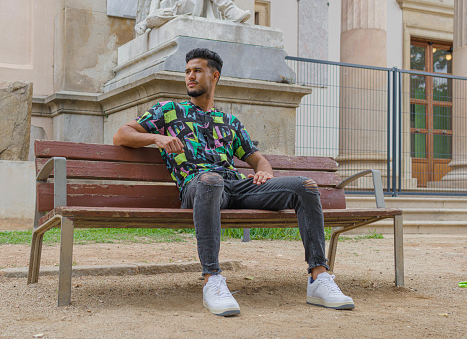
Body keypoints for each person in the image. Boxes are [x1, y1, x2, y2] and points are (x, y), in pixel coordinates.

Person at [113, 48, 355, 316]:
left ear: (214, 76)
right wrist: (156, 138)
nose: (190, 76)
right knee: (210, 180)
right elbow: (122, 134)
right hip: (198, 184)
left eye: (197, 71)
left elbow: (259, 161)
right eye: (187, 71)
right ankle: (212, 279)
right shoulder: (169, 111)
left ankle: (318, 277)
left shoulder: (229, 122)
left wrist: (265, 172)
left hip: (236, 186)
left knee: (305, 186)